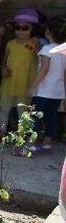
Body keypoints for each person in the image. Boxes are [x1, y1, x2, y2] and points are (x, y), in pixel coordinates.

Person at [0, 9, 40, 140]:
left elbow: (39, 57)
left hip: (25, 82)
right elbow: (4, 60)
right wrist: (3, 68)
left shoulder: (33, 43)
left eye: (25, 27)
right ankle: (2, 130)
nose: (20, 31)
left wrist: (33, 45)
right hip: (9, 81)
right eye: (17, 27)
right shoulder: (10, 44)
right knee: (4, 108)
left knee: (23, 111)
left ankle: (21, 134)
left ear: (32, 29)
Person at [29, 16, 66, 154]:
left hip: (44, 90)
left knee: (36, 117)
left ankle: (31, 144)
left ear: (48, 32)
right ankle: (47, 144)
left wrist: (33, 85)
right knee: (51, 117)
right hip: (58, 91)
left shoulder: (47, 49)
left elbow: (44, 69)